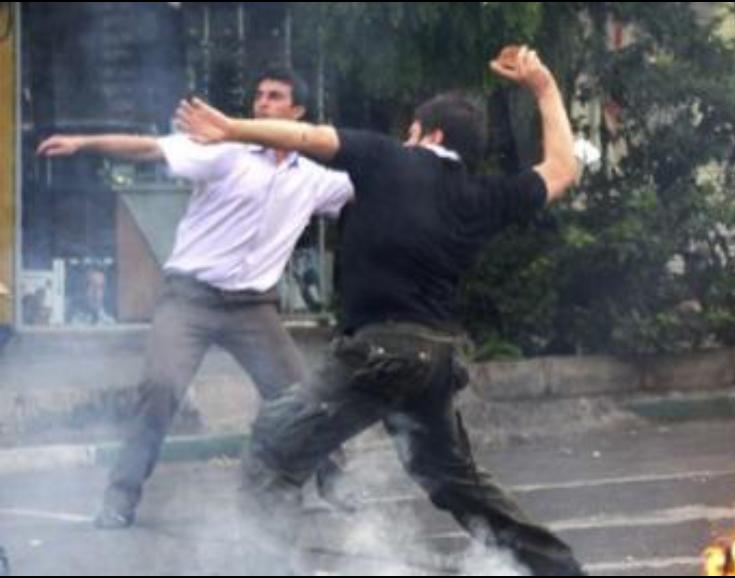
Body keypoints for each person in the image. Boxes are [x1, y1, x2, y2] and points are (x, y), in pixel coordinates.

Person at [176, 46, 586, 575]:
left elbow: (309, 137)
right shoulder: (485, 197)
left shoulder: (387, 156)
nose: (407, 139)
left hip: (379, 352)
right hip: (437, 360)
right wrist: (545, 87)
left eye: (412, 131)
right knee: (452, 479)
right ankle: (559, 570)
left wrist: (234, 129)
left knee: (274, 448)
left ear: (428, 134)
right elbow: (563, 168)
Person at [38, 68, 356, 529]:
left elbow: (381, 177)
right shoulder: (224, 152)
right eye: (259, 95)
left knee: (302, 397)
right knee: (160, 389)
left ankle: (336, 482)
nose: (262, 103)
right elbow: (152, 148)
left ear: (298, 112)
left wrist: (432, 152)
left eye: (275, 97)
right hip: (189, 299)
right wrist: (84, 141)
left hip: (253, 307)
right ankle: (120, 498)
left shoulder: (313, 179)